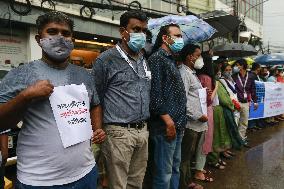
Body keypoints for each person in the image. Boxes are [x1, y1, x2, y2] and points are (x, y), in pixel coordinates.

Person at [0, 11, 106, 188]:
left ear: (72, 40)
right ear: (38, 38)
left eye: (65, 33)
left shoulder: (84, 75)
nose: (59, 37)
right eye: (52, 32)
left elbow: (95, 104)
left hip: (85, 173)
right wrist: (25, 96)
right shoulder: (20, 74)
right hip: (40, 180)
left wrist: (97, 128)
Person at [92, 10, 150, 189]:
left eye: (144, 31)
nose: (141, 35)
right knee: (118, 185)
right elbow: (96, 98)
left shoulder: (142, 57)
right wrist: (98, 130)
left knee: (136, 183)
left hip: (142, 130)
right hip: (118, 132)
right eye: (136, 29)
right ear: (123, 31)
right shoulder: (106, 60)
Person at [148, 23, 187, 189]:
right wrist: (168, 122)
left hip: (177, 124)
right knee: (164, 174)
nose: (180, 39)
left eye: (181, 36)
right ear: (165, 38)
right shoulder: (157, 59)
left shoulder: (171, 60)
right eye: (177, 36)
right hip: (165, 126)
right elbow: (155, 95)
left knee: (174, 168)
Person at [178, 44, 208, 189]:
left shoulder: (191, 73)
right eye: (198, 55)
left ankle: (187, 180)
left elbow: (192, 95)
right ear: (190, 57)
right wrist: (197, 115)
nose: (200, 58)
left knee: (188, 155)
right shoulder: (184, 73)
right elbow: (182, 99)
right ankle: (185, 184)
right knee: (185, 156)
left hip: (196, 123)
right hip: (191, 123)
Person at [232, 59, 258, 147]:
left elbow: (253, 89)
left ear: (242, 66)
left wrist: (255, 101)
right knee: (235, 122)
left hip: (246, 102)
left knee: (244, 122)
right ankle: (234, 141)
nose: (236, 67)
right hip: (236, 102)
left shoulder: (251, 76)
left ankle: (241, 140)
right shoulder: (234, 76)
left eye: (237, 65)